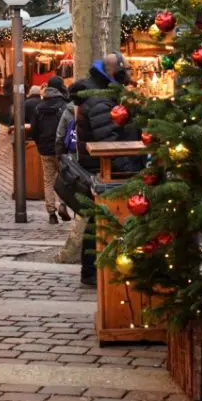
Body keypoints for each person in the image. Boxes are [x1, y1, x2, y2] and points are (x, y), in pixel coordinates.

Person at [76, 53, 142, 286]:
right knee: (100, 219)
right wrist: (131, 171)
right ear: (115, 72)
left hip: (102, 168)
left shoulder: (103, 95)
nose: (131, 74)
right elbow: (109, 142)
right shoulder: (101, 101)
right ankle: (93, 272)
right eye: (128, 70)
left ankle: (91, 271)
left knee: (96, 219)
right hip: (104, 169)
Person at [30, 77, 70, 224]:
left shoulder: (39, 106)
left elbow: (34, 130)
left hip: (45, 149)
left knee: (48, 180)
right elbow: (68, 128)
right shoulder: (64, 105)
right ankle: (63, 205)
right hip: (62, 150)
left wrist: (39, 143)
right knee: (64, 179)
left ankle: (51, 213)